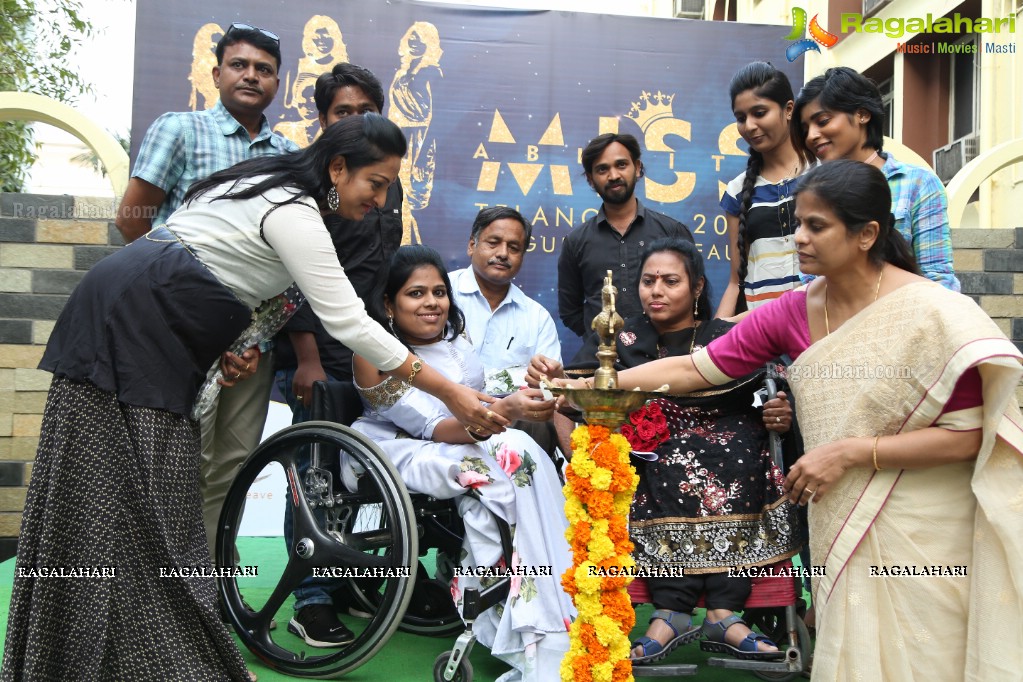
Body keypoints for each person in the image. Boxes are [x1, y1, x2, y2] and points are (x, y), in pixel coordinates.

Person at [1, 114, 504, 681]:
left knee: (155, 501)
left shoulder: (271, 190)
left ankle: (129, 655)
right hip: (131, 322)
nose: (382, 199)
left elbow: (226, 269)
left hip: (160, 328)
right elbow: (351, 324)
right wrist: (452, 393)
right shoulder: (292, 208)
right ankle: (90, 658)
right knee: (105, 497)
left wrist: (231, 346)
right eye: (376, 183)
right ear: (338, 169)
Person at [559, 160, 1023, 680]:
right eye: (797, 223)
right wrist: (596, 385)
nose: (798, 239)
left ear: (867, 234)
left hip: (925, 524)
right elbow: (695, 368)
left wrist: (850, 453)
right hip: (839, 514)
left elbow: (969, 438)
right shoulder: (793, 310)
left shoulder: (935, 314)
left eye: (816, 226)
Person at [542, 238, 800, 663]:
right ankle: (671, 611)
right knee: (662, 457)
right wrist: (559, 384)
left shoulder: (724, 335)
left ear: (697, 287)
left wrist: (779, 409)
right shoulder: (620, 338)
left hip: (731, 439)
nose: (656, 290)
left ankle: (723, 613)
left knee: (731, 451)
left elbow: (776, 384)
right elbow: (578, 393)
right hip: (651, 449)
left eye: (670, 281)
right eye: (648, 281)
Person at [115, 23, 300, 561]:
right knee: (175, 459)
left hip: (252, 342)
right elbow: (134, 221)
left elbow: (287, 254)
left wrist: (248, 335)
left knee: (235, 462)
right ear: (216, 73)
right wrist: (191, 316)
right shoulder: (180, 130)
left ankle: (208, 578)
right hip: (180, 334)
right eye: (239, 65)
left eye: (263, 69)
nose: (251, 76)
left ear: (276, 84)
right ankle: (160, 583)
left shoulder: (288, 154)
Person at [352, 245, 574, 682]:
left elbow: (478, 395)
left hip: (460, 439)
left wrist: (529, 383)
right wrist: (506, 412)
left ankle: (553, 601)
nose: (432, 302)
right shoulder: (373, 355)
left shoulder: (454, 341)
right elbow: (436, 426)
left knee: (520, 453)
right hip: (395, 447)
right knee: (511, 453)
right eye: (416, 293)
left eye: (439, 291)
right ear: (388, 304)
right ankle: (521, 613)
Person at [271, 63, 405, 648]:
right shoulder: (309, 187)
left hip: (365, 352)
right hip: (315, 352)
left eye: (365, 111)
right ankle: (312, 599)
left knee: (356, 476)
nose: (355, 122)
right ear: (324, 122)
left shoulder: (384, 182)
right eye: (342, 112)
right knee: (311, 475)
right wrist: (305, 356)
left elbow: (378, 274)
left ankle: (349, 582)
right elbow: (292, 279)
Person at [792, 65, 960, 291]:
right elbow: (809, 284)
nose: (811, 136)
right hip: (831, 322)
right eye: (805, 129)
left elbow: (939, 280)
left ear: (862, 114)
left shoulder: (917, 183)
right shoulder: (811, 189)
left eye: (822, 121)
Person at [449, 207, 569, 456]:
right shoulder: (441, 295)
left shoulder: (536, 317)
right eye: (493, 243)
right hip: (447, 414)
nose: (503, 254)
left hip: (512, 427)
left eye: (514, 248)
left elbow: (551, 390)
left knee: (540, 417)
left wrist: (551, 379)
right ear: (472, 245)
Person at [558, 132, 693, 338]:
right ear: (590, 179)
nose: (613, 176)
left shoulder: (672, 232)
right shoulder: (576, 242)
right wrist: (602, 338)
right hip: (603, 362)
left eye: (621, 165)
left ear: (637, 168)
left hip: (664, 359)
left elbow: (693, 297)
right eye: (602, 169)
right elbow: (570, 311)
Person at [717, 62, 807, 317]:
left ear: (788, 109)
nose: (750, 125)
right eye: (741, 118)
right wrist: (714, 339)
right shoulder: (737, 190)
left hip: (820, 326)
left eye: (759, 112)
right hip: (761, 333)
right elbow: (736, 282)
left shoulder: (824, 173)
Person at [388, 21, 444, 244]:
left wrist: (420, 155)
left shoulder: (432, 72)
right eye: (411, 36)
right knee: (393, 199)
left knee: (411, 200)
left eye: (420, 38)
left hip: (417, 142)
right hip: (395, 140)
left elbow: (438, 115)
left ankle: (413, 250)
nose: (414, 42)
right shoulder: (401, 71)